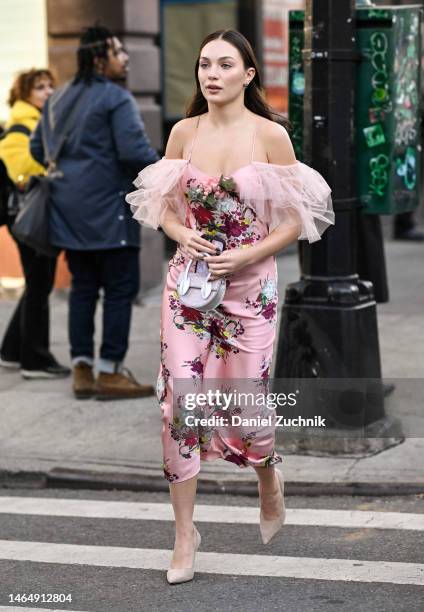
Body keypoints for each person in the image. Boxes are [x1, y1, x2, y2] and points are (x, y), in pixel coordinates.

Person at [127, 29, 334, 584]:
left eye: (224, 65)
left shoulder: (271, 137)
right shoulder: (183, 132)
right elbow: (163, 209)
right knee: (181, 403)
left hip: (250, 294)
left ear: (247, 75)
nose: (210, 74)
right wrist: (182, 234)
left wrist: (244, 253)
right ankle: (183, 537)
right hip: (189, 288)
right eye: (203, 65)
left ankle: (268, 474)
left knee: (246, 410)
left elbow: (293, 222)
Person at [30, 25, 160, 400]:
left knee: (83, 289)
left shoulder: (58, 98)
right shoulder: (116, 98)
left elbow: (39, 149)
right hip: (109, 211)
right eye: (120, 51)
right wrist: (167, 171)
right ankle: (111, 372)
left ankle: (82, 370)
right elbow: (135, 153)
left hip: (68, 213)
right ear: (101, 57)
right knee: (120, 289)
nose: (126, 58)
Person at [0, 69, 70, 379]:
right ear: (24, 93)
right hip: (27, 215)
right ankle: (35, 360)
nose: (48, 91)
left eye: (50, 85)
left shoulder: (40, 121)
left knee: (37, 282)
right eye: (40, 87)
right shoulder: (21, 124)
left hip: (32, 214)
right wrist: (53, 162)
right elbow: (20, 168)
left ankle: (12, 350)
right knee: (39, 283)